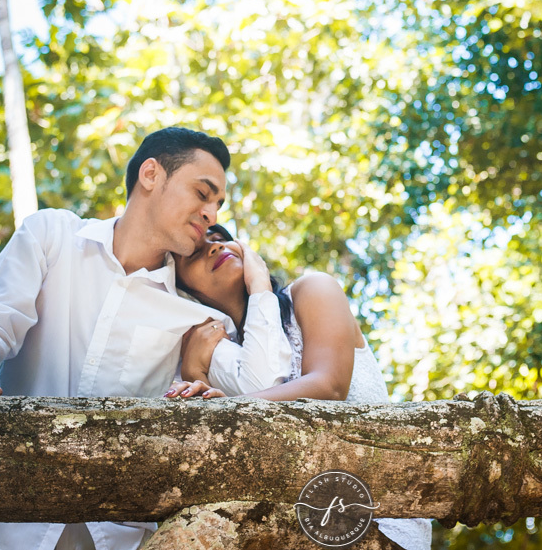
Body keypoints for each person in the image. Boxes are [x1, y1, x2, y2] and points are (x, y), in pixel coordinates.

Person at [0, 127, 293, 550]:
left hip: (114, 539)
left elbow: (265, 386)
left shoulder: (198, 315)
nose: (212, 214)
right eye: (203, 193)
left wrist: (261, 288)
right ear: (150, 174)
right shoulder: (51, 235)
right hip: (4, 527)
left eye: (217, 204)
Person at [168, 224, 433, 550]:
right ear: (182, 287)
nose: (214, 246)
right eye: (196, 251)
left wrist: (260, 285)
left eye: (222, 237)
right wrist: (195, 371)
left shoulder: (313, 289)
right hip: (294, 524)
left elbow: (329, 386)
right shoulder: (220, 351)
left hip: (377, 515)